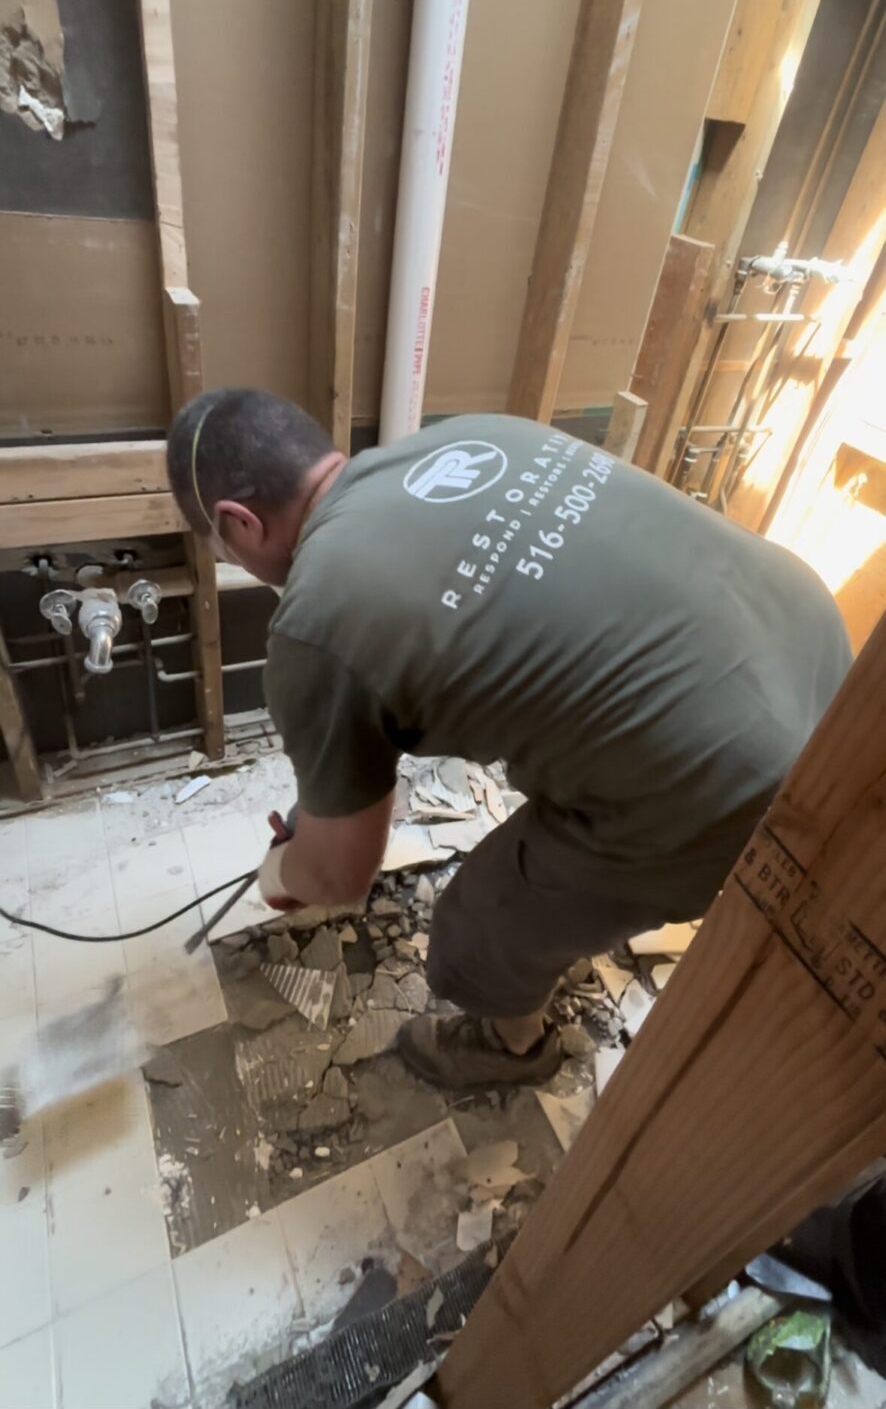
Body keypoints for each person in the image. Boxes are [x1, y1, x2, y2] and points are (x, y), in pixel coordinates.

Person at [166, 387, 851, 1088]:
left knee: (474, 932)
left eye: (222, 549)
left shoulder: (313, 622)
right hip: (821, 654)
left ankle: (513, 1049)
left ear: (239, 523)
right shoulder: (474, 432)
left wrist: (280, 873)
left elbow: (341, 874)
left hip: (734, 781)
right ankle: (597, 904)